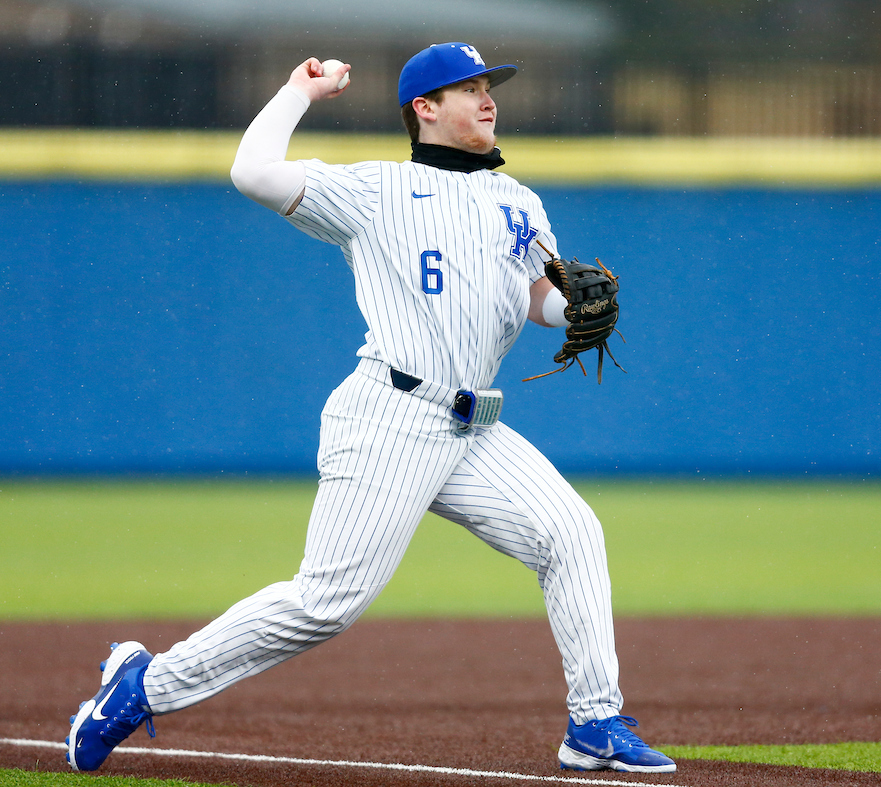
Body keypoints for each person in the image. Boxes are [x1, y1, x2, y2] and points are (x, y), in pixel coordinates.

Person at [65, 42, 675, 775]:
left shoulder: (519, 201)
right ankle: (142, 685)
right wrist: (297, 94)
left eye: (491, 87)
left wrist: (570, 303)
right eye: (469, 88)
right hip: (391, 413)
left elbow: (536, 297)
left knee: (572, 533)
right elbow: (251, 172)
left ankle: (595, 723)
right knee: (326, 603)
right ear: (424, 108)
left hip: (473, 425)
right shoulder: (376, 190)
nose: (489, 100)